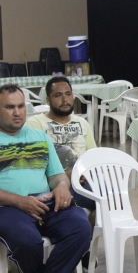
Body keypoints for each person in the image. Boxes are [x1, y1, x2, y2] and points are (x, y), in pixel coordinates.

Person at [0, 83, 91, 273]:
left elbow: (57, 176)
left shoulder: (40, 137)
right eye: (9, 107)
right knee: (27, 241)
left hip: (47, 202)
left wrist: (61, 187)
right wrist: (19, 201)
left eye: (21, 106)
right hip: (8, 207)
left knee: (81, 228)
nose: (17, 112)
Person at [25, 76, 97, 270]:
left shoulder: (83, 123)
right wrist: (68, 174)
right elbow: (37, 164)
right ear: (48, 100)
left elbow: (93, 156)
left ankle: (86, 248)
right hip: (55, 184)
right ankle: (80, 249)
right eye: (58, 95)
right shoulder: (36, 124)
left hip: (83, 181)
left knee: (110, 198)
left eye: (68, 94)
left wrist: (85, 171)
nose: (65, 99)